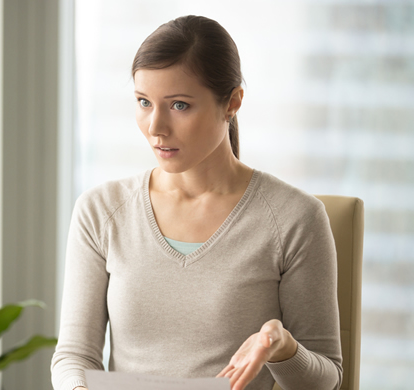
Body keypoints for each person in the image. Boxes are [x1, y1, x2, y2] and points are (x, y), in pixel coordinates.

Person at [51, 15, 342, 390]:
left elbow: (328, 380)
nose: (155, 127)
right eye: (143, 102)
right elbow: (75, 354)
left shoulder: (294, 219)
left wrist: (282, 347)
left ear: (232, 103)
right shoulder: (100, 211)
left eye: (179, 106)